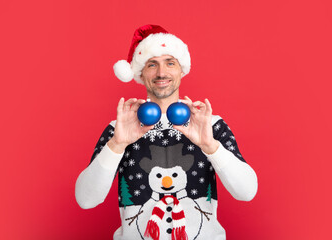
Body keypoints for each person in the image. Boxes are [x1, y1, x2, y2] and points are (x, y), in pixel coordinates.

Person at [75, 24, 258, 240]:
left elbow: (247, 192)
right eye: (152, 64)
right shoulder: (119, 129)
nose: (161, 72)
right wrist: (117, 145)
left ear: (182, 69)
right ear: (140, 73)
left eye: (169, 63)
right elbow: (85, 199)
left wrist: (211, 147)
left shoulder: (210, 125)